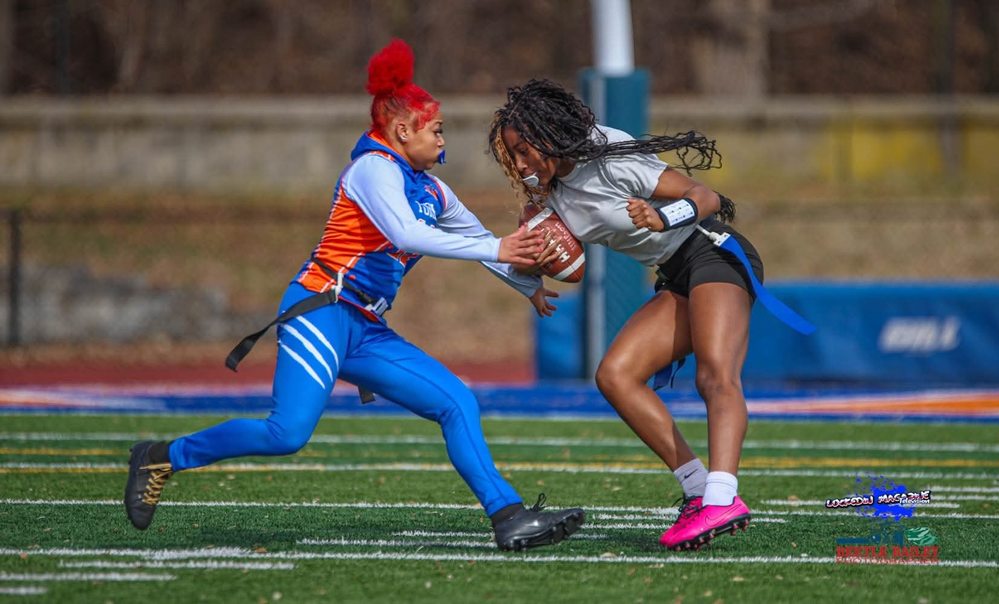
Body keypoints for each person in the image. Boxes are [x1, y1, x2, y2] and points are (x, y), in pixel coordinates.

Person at [123, 42, 585, 552]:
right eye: (436, 128)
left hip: (365, 327)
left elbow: (480, 245)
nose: (442, 138)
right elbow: (408, 235)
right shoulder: (372, 169)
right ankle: (162, 456)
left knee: (456, 401)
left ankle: (508, 516)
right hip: (320, 310)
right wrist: (499, 245)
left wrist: (528, 286)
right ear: (402, 129)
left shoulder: (432, 189)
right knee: (287, 434)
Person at [488, 79, 760, 551]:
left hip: (713, 251)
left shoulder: (610, 156)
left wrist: (662, 217)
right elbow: (544, 255)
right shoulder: (549, 198)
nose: (518, 163)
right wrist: (532, 280)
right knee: (615, 375)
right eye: (512, 155)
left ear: (550, 135)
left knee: (716, 376)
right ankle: (698, 490)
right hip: (675, 272)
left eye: (523, 150)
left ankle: (722, 497)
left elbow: (707, 196)